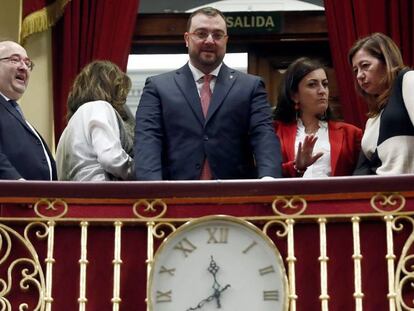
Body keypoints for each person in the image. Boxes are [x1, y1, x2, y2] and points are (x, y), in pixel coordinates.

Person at [134, 7, 282, 180]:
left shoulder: (251, 86)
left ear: (226, 41)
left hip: (234, 196)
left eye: (218, 35)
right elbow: (148, 139)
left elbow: (263, 135)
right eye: (201, 34)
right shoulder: (158, 87)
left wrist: (269, 180)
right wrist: (152, 188)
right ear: (187, 38)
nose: (210, 41)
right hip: (173, 197)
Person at [273, 57, 362, 177]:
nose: (322, 91)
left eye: (325, 84)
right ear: (295, 95)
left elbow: (361, 177)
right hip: (292, 195)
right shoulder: (275, 131)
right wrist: (296, 167)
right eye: (312, 85)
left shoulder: (351, 134)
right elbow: (268, 174)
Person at [56, 60, 134, 181]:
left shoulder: (68, 129)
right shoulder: (100, 107)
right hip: (100, 195)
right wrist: (139, 170)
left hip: (72, 197)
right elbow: (111, 159)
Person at [349, 33, 414, 175]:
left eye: (365, 66)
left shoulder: (408, 79)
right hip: (381, 193)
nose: (359, 75)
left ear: (387, 61)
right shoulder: (372, 119)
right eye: (356, 70)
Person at [0, 40, 57, 180]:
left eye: (27, 63)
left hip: (41, 200)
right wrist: (18, 185)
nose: (24, 67)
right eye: (15, 60)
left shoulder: (13, 109)